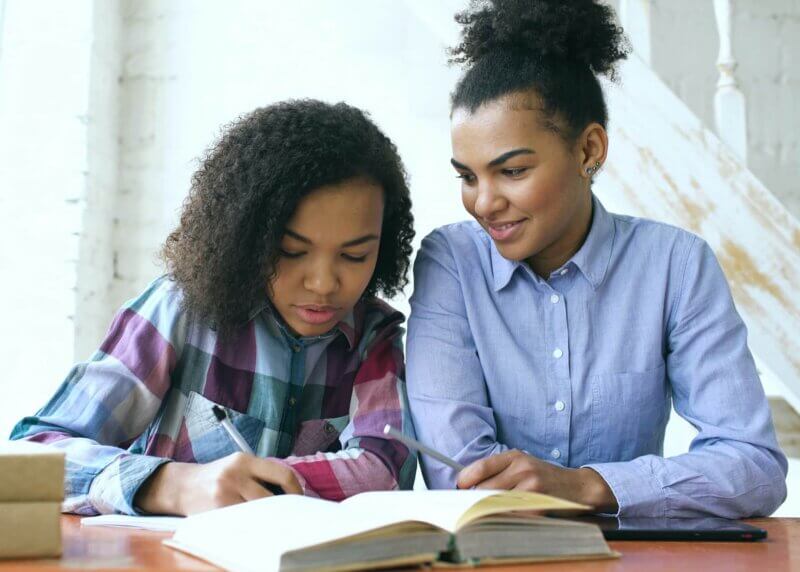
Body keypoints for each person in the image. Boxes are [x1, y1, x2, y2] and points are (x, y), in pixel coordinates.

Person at [406, 0, 787, 518]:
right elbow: (462, 473)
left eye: (512, 171)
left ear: (589, 150)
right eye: (468, 176)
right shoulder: (450, 262)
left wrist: (586, 485)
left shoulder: (675, 265)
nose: (484, 202)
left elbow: (754, 469)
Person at [11, 100, 417, 516]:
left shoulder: (375, 337)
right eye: (291, 251)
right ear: (248, 237)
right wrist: (169, 484)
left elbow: (384, 470)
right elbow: (31, 455)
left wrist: (252, 485)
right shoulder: (181, 311)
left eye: (354, 257)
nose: (323, 283)